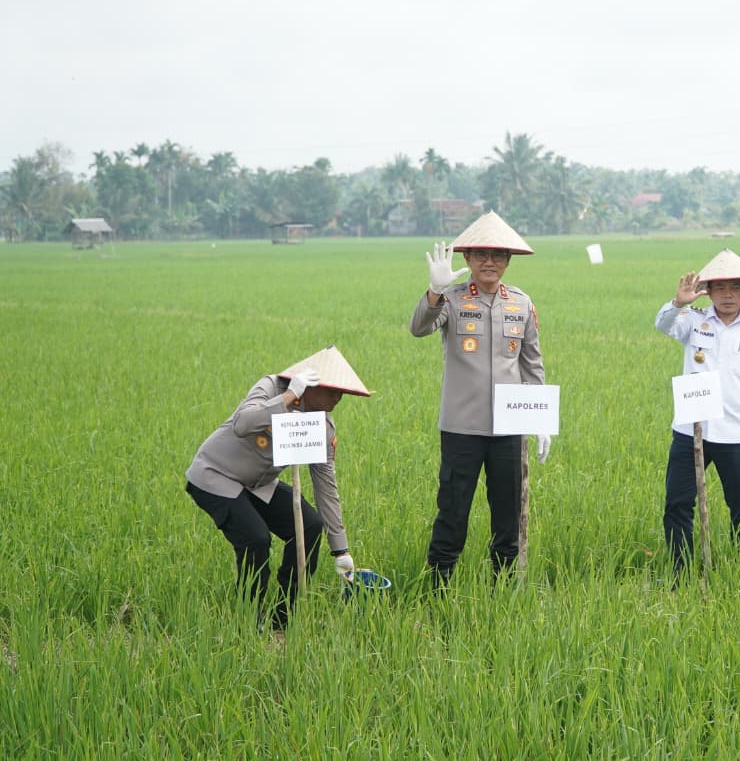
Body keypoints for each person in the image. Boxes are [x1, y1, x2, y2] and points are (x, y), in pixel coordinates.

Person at [185, 346, 371, 631]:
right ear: (311, 385)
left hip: (257, 484)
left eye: (342, 392)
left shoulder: (322, 427)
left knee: (309, 526)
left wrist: (340, 550)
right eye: (332, 390)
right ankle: (248, 621)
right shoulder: (271, 387)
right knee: (255, 539)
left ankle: (284, 616)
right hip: (216, 475)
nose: (338, 398)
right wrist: (288, 397)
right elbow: (242, 424)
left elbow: (325, 486)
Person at [410, 211, 550, 587]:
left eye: (498, 255)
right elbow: (419, 328)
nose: (490, 262)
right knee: (453, 512)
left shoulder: (521, 303)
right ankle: (438, 588)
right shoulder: (452, 300)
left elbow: (532, 364)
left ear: (508, 261)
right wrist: (434, 291)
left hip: (510, 428)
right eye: (481, 255)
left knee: (509, 513)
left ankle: (503, 588)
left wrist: (540, 420)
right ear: (468, 259)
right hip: (462, 427)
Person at [655, 249, 740, 580]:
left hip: (737, 433)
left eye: (734, 288)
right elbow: (662, 325)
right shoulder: (693, 321)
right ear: (708, 291)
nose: (727, 295)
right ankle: (680, 571)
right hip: (691, 430)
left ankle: (739, 567)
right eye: (720, 288)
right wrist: (678, 303)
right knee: (678, 503)